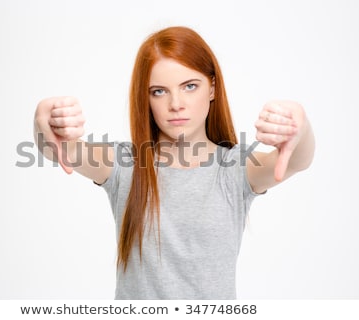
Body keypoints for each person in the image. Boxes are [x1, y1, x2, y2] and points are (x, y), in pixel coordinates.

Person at [33, 26, 315, 299]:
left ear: (212, 88)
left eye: (190, 86)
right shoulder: (126, 163)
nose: (176, 103)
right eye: (159, 91)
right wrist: (44, 120)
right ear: (146, 98)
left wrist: (300, 128)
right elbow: (63, 150)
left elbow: (296, 161)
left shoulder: (235, 168)